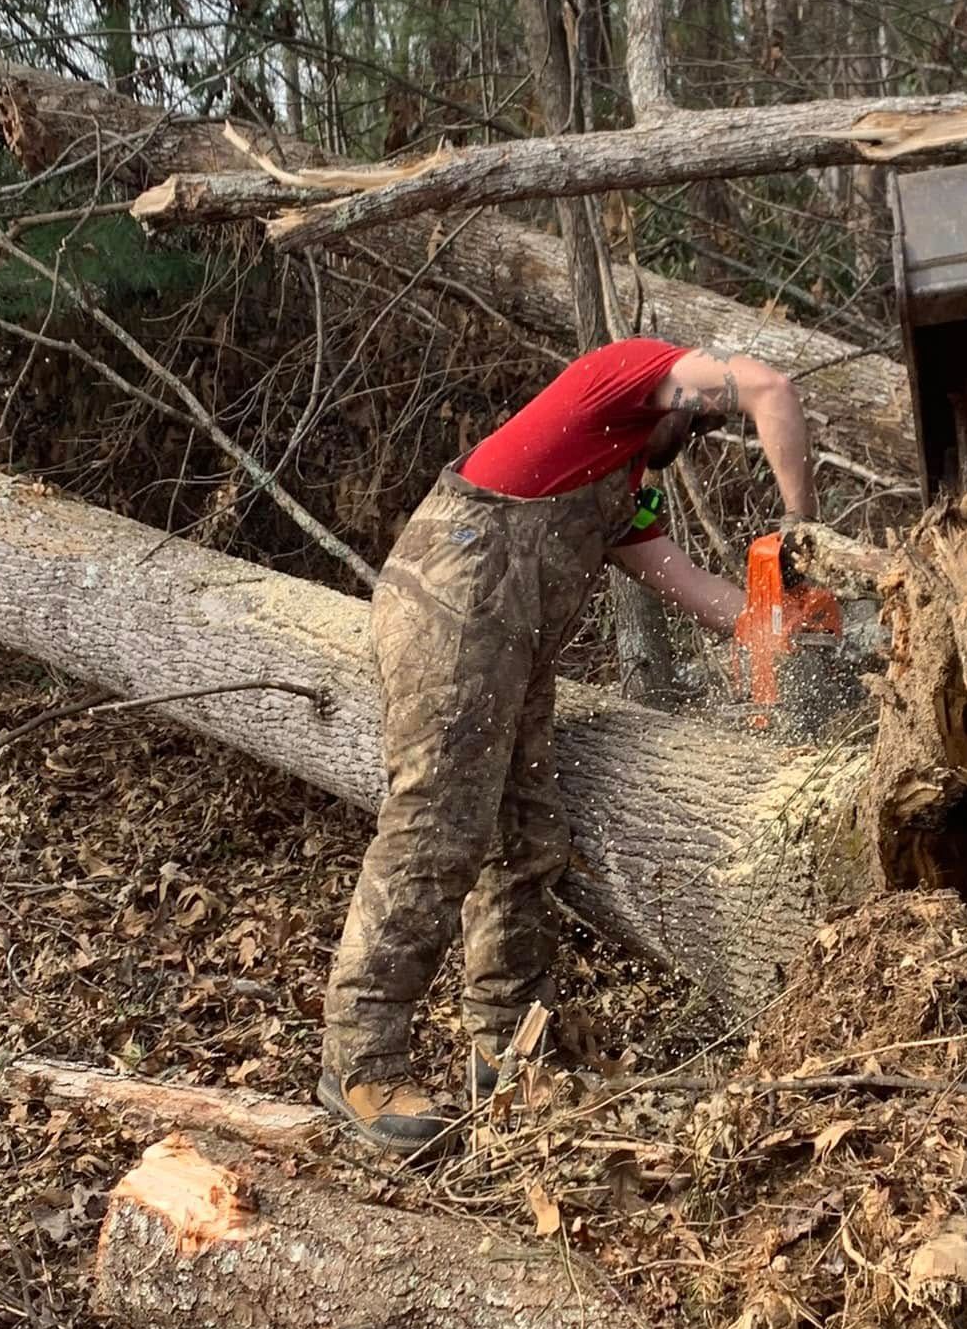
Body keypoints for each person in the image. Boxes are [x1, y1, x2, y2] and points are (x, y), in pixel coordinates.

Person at [319, 334, 820, 1156]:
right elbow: (770, 388)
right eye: (691, 423)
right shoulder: (618, 373)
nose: (686, 438)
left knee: (523, 838)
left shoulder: (619, 488)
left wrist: (783, 629)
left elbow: (697, 593)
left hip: (509, 637)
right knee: (434, 834)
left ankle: (508, 1051)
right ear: (679, 397)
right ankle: (360, 1062)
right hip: (453, 611)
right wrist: (803, 535)